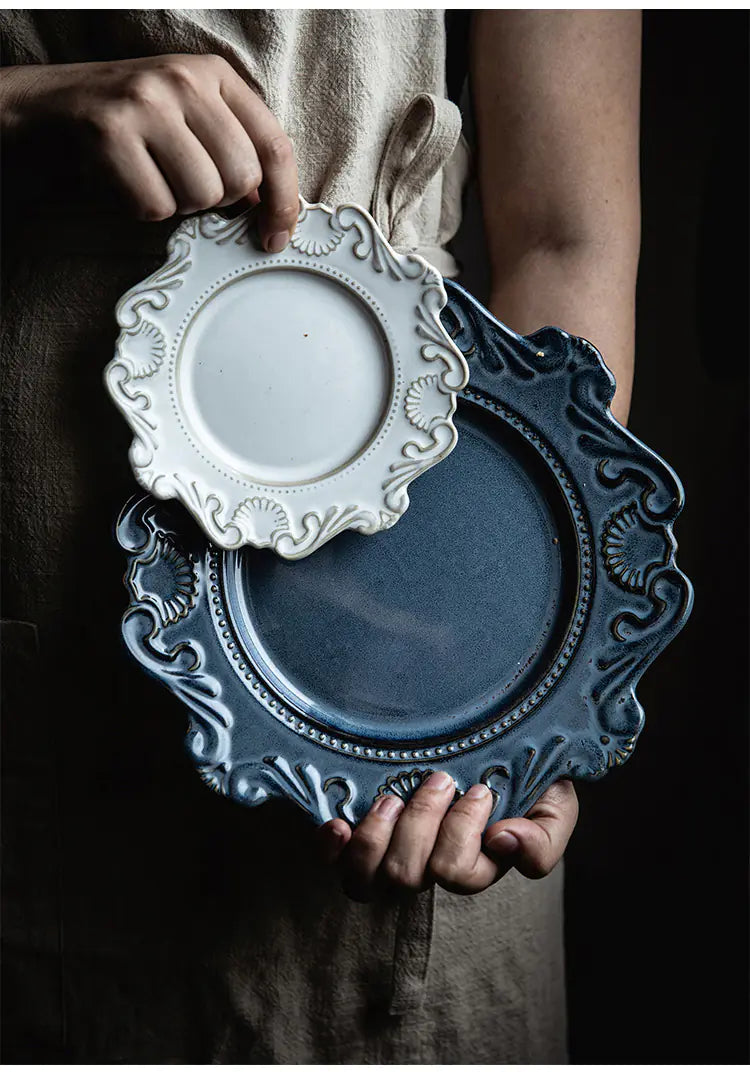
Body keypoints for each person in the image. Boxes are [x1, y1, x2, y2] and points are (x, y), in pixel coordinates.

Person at [0, 10, 641, 1063]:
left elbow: (564, 237)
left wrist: (539, 682)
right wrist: (20, 104)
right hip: (50, 514)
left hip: (416, 493)